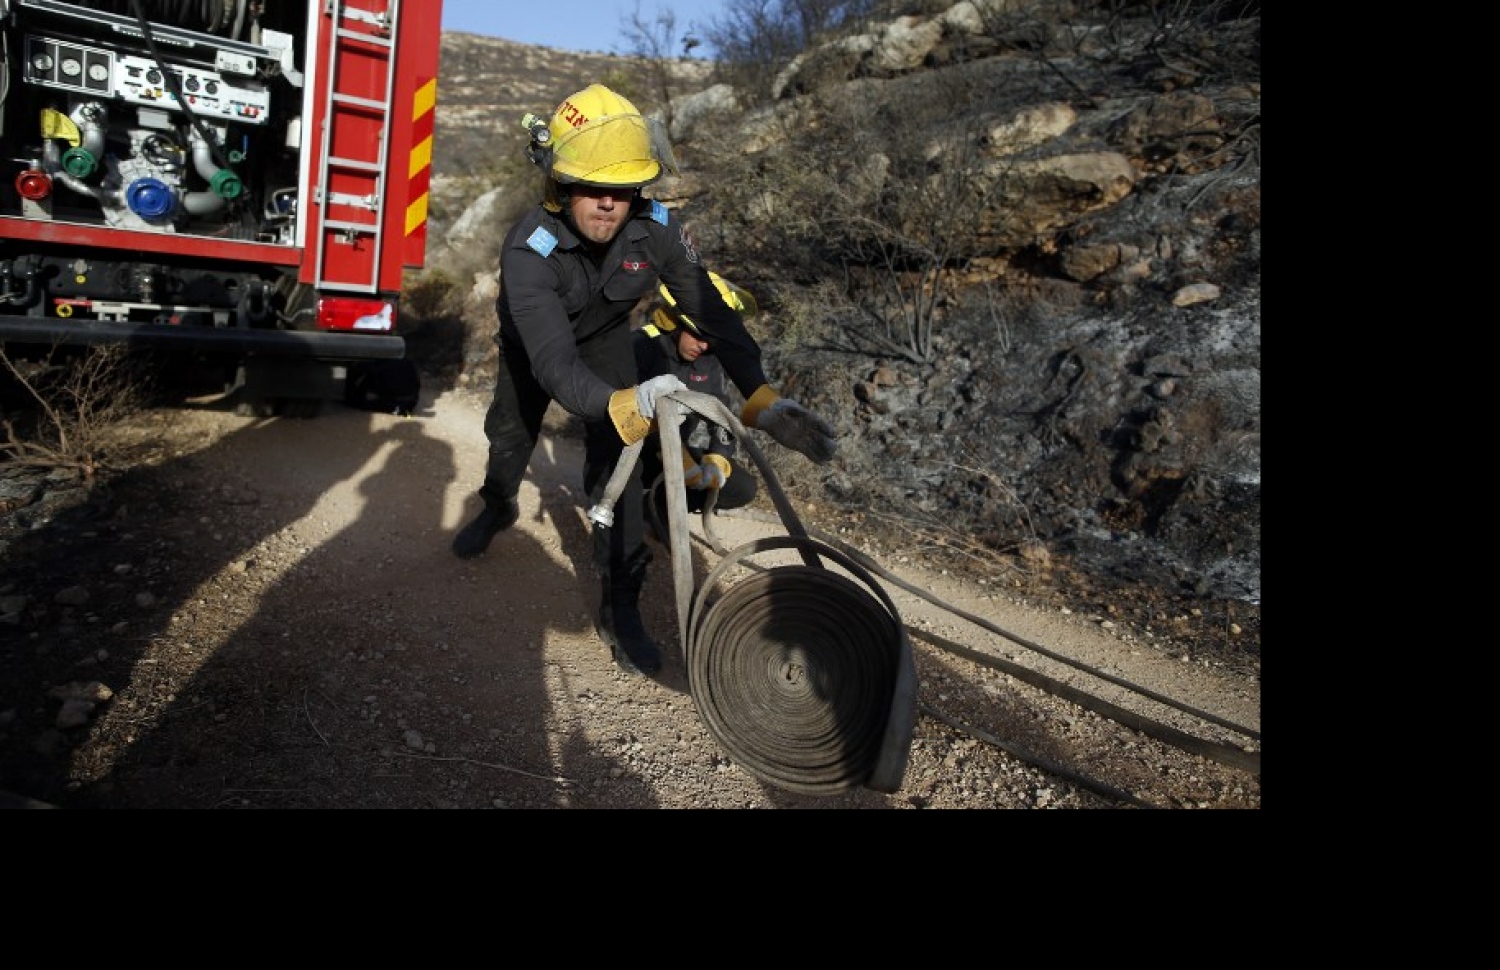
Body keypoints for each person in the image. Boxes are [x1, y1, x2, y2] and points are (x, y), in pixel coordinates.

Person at [451, 83, 838, 677]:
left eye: (625, 189)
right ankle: (497, 505)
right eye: (593, 187)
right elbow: (554, 365)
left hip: (604, 339)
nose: (610, 204)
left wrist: (761, 397)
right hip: (537, 348)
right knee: (510, 435)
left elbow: (712, 312)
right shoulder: (529, 250)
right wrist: (622, 402)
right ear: (561, 186)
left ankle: (621, 605)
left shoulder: (656, 228)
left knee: (620, 464)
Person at [635, 272, 759, 536]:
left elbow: (721, 414)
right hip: (633, 453)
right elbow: (630, 414)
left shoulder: (708, 360)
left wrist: (718, 457)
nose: (703, 345)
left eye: (710, 338)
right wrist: (674, 457)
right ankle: (628, 507)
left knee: (742, 487)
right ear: (674, 322)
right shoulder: (642, 346)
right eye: (697, 335)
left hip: (675, 455)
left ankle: (655, 506)